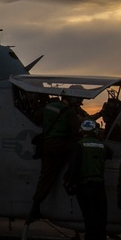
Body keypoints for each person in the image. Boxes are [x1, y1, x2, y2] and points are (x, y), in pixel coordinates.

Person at [28, 94, 81, 223]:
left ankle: (36, 205)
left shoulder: (48, 107)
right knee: (74, 166)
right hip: (60, 148)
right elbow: (77, 132)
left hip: (47, 146)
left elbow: (36, 117)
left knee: (45, 176)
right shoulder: (70, 113)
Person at [64, 119, 114, 240]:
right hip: (99, 185)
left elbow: (74, 166)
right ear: (95, 131)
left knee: (89, 217)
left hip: (85, 186)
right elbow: (111, 154)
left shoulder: (79, 145)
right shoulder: (102, 146)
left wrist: (68, 182)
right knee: (100, 217)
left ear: (82, 131)